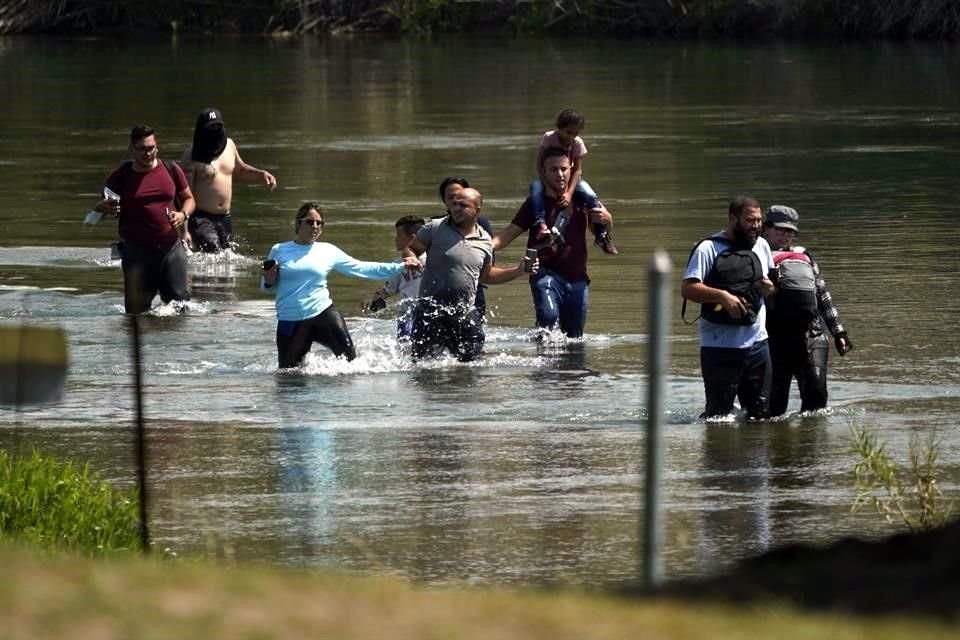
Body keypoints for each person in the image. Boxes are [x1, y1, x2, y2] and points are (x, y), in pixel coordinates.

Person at [261, 202, 421, 369]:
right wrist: (269, 280)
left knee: (352, 365)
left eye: (319, 223)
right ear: (298, 223)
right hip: (290, 320)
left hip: (323, 314)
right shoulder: (279, 250)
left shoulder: (328, 251)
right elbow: (266, 286)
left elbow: (362, 268)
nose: (315, 226)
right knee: (287, 376)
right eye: (310, 222)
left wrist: (401, 266)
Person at [492, 147, 615, 339]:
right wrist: (475, 246)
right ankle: (542, 366)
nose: (560, 174)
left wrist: (607, 220)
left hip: (577, 278)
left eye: (564, 169)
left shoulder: (582, 200)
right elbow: (506, 236)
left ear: (571, 169)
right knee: (547, 319)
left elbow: (602, 231)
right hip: (544, 274)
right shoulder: (534, 204)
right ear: (543, 172)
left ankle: (570, 370)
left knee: (574, 337)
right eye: (553, 169)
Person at [405, 188, 533, 362]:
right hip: (430, 311)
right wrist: (411, 259)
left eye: (463, 205)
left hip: (464, 313)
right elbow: (411, 248)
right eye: (454, 204)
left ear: (477, 210)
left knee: (471, 367)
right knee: (422, 367)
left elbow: (486, 276)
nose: (456, 208)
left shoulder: (485, 240)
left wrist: (518, 271)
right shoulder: (435, 227)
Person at [681, 196, 776, 420]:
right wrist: (722, 296)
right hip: (719, 347)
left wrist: (770, 289)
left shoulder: (761, 245)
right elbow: (688, 289)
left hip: (758, 344)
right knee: (719, 418)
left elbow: (771, 288)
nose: (756, 226)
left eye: (759, 220)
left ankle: (755, 455)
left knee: (760, 415)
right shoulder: (708, 248)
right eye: (750, 220)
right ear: (733, 219)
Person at [93, 124, 196, 313]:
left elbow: (189, 199)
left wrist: (183, 215)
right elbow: (99, 208)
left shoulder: (171, 169)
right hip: (136, 254)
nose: (147, 153)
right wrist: (104, 208)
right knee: (135, 314)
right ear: (132, 149)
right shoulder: (121, 175)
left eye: (151, 148)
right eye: (142, 149)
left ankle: (178, 343)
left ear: (157, 147)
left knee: (181, 309)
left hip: (171, 249)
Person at [762, 205, 853, 416]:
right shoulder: (755, 255)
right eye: (780, 230)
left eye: (790, 232)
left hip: (812, 336)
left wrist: (839, 332)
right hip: (774, 339)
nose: (786, 236)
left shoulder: (804, 256)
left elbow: (822, 295)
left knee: (817, 403)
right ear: (766, 228)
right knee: (773, 409)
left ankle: (811, 445)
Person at [180, 108, 279, 253]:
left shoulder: (230, 145)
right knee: (214, 251)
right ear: (202, 130)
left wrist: (261, 174)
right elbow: (184, 195)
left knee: (227, 257)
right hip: (201, 217)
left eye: (217, 126)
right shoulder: (191, 155)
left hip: (225, 217)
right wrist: (184, 231)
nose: (214, 130)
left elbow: (240, 169)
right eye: (210, 127)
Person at [529, 108, 617, 255]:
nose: (571, 137)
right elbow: (539, 165)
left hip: (572, 179)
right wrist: (547, 186)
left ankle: (601, 236)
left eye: (575, 133)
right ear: (560, 128)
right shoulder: (549, 138)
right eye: (568, 132)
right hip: (549, 177)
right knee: (535, 189)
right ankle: (541, 223)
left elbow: (577, 170)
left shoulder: (577, 143)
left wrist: (569, 193)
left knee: (591, 196)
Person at [361, 215, 426, 341]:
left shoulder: (434, 258)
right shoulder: (398, 265)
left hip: (428, 315)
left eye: (399, 236)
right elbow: (388, 290)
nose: (395, 239)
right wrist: (372, 299)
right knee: (405, 351)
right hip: (406, 318)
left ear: (412, 238)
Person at [435, 176, 493, 315]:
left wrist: (518, 270)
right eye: (451, 198)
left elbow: (489, 266)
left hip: (474, 293)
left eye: (460, 197)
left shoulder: (482, 225)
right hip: (439, 297)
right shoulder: (435, 226)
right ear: (444, 201)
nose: (456, 202)